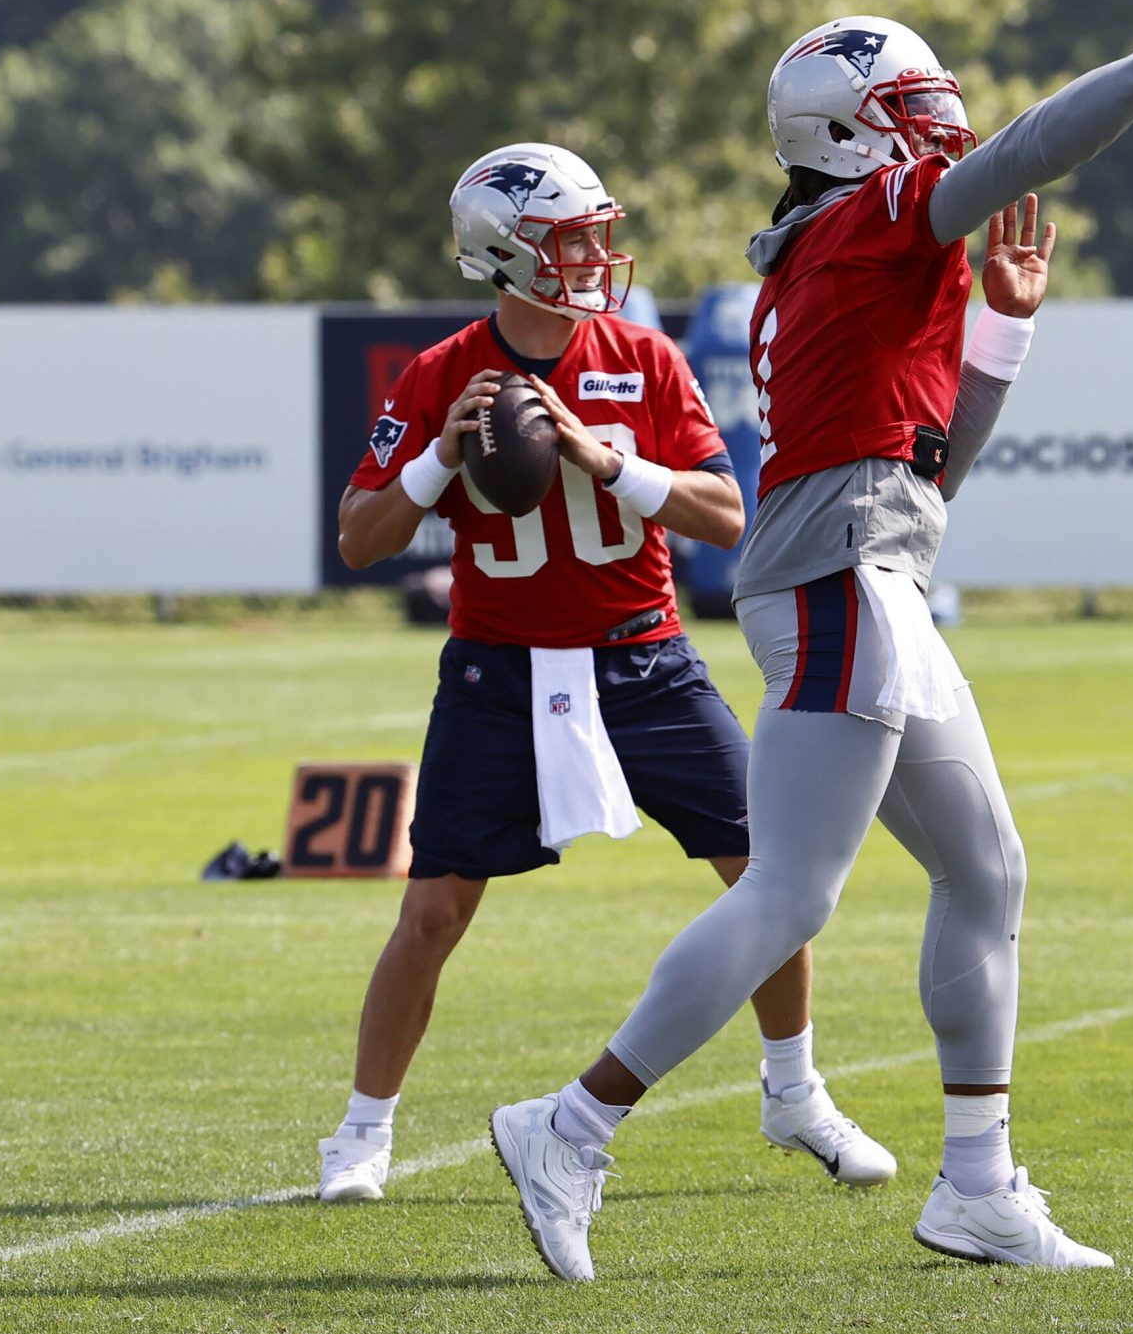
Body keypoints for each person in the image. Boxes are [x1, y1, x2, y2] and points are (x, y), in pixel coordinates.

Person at [486, 4, 1133, 1281]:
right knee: (790, 892)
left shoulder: (851, 251)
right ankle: (571, 1124)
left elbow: (931, 473)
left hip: (873, 571)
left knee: (987, 875)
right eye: (908, 103)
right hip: (838, 584)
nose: (938, 120)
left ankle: (979, 1187)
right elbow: (1031, 150)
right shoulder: (859, 220)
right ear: (837, 131)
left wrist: (1003, 330)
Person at [315, 142, 893, 1204]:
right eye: (567, 238)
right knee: (435, 910)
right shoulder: (441, 374)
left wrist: (605, 459)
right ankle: (361, 1131)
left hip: (645, 659)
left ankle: (794, 1090)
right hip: (497, 672)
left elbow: (726, 512)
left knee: (770, 877)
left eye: (592, 234)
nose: (592, 255)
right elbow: (358, 538)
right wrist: (442, 456)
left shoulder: (643, 357)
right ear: (504, 254)